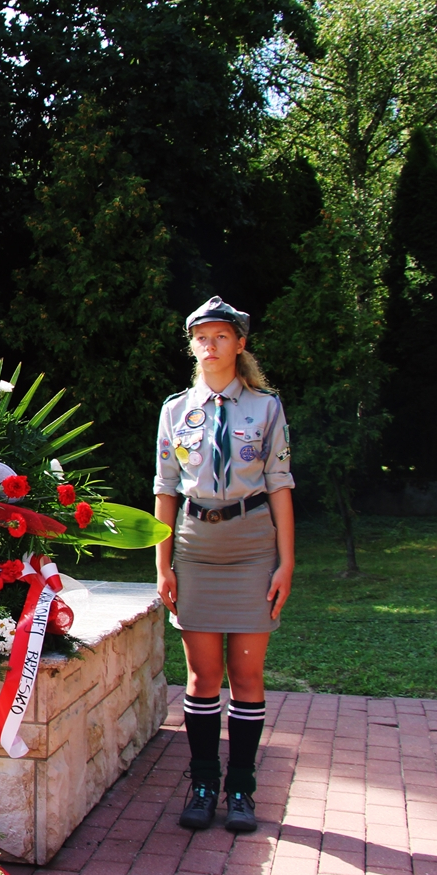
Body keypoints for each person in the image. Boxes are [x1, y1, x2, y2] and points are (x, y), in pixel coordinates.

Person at [153, 297, 294, 833]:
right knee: (202, 675)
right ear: (193, 346)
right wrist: (162, 565)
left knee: (248, 674)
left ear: (239, 344)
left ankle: (242, 789)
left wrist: (286, 562)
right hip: (194, 546)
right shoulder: (174, 411)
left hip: (253, 546)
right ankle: (204, 783)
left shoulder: (266, 409)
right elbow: (165, 491)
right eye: (200, 338)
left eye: (220, 337)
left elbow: (280, 487)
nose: (209, 346)